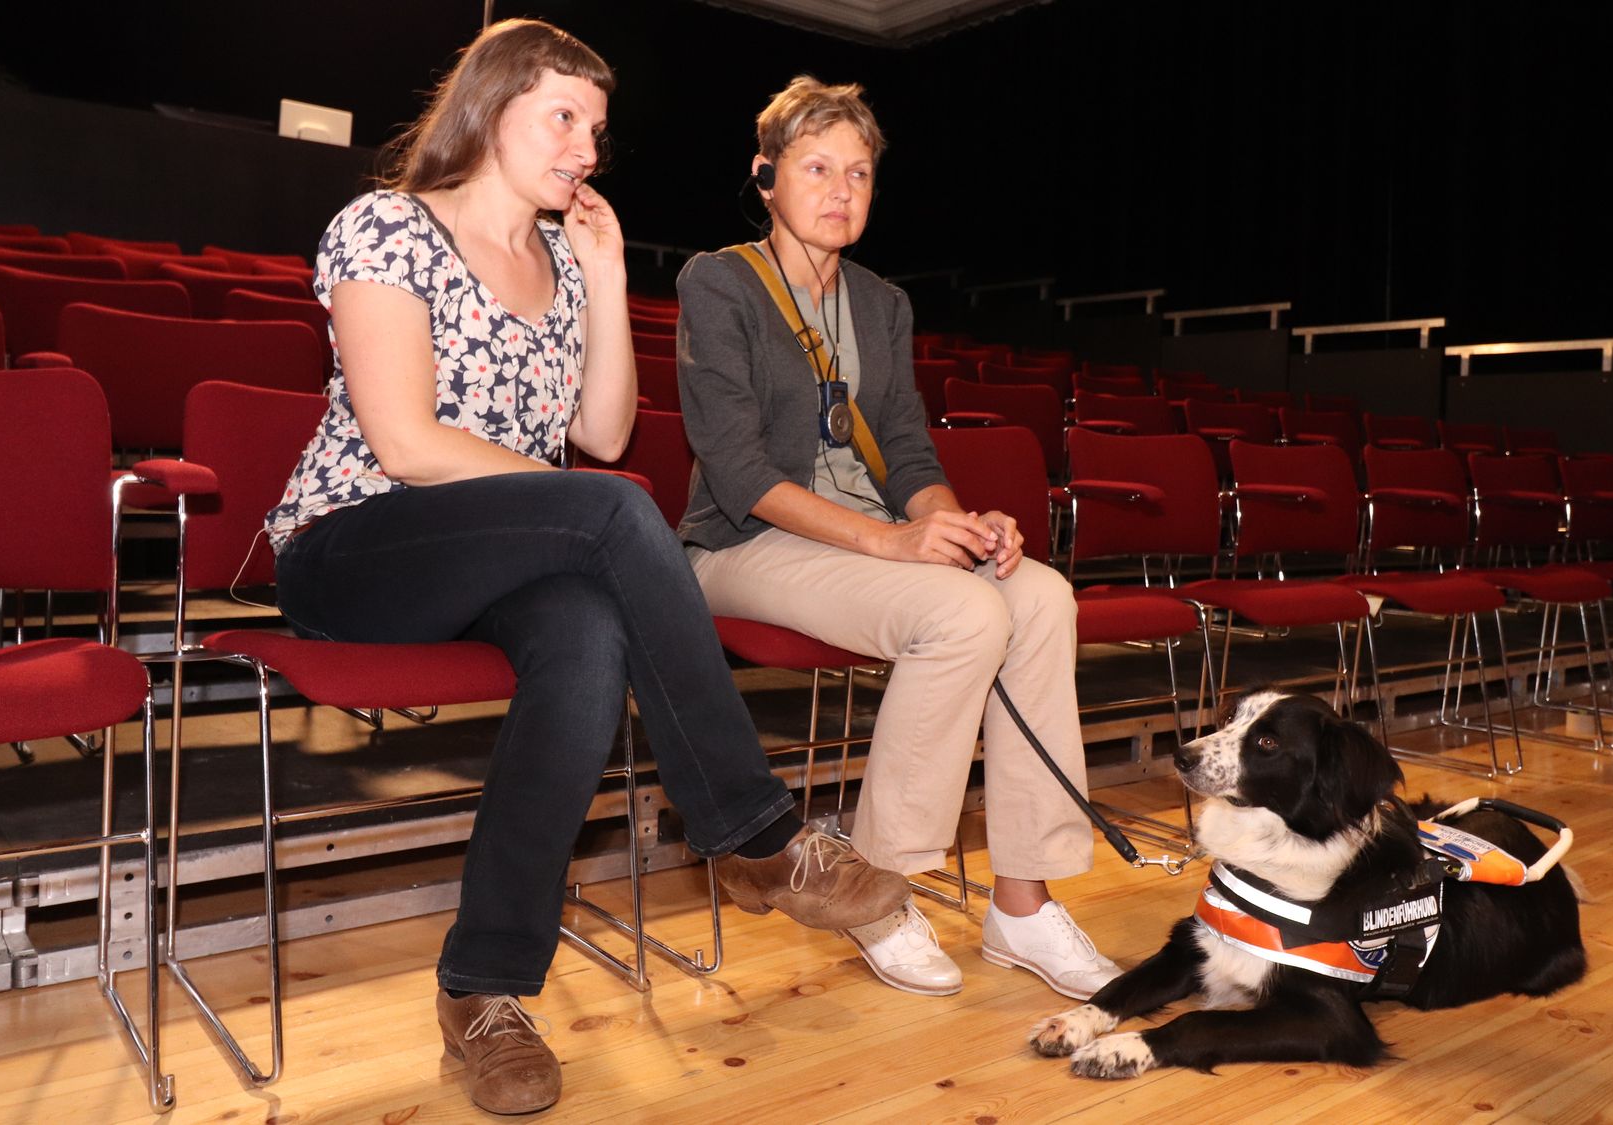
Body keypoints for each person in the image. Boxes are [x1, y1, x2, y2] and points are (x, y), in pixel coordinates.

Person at [263, 23, 905, 1116]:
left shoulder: (563, 260)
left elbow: (604, 432)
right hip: (359, 545)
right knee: (609, 518)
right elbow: (410, 445)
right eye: (562, 118)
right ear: (488, 106)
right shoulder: (385, 227)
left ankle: (484, 993)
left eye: (596, 130)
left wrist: (603, 276)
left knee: (586, 642)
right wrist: (571, 505)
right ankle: (755, 835)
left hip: (514, 551)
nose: (585, 149)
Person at [676, 77, 1118, 1003]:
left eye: (861, 173)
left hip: (864, 542)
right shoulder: (720, 282)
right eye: (818, 168)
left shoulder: (882, 303)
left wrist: (953, 522)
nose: (842, 190)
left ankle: (1024, 905)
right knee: (961, 615)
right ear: (765, 178)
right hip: (741, 546)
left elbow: (909, 451)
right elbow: (738, 471)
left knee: (1038, 593)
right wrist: (893, 547)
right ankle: (875, 892)